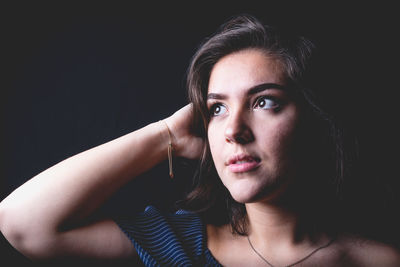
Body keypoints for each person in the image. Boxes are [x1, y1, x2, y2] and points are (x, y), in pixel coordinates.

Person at [0, 14, 399, 266]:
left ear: (314, 118)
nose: (233, 130)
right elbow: (21, 223)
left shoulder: (379, 260)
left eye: (263, 102)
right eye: (217, 109)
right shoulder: (179, 246)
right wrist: (166, 135)